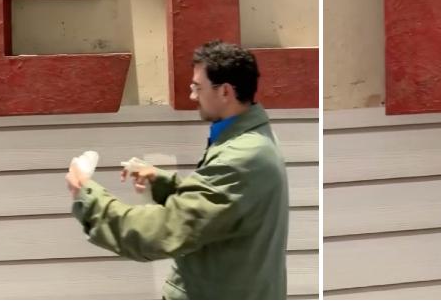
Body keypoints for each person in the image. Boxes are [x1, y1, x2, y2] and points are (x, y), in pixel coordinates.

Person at [65, 41, 290, 299]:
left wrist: (87, 195)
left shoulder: (241, 157)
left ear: (225, 91)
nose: (193, 96)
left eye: (197, 87)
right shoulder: (252, 139)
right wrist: (163, 183)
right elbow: (219, 209)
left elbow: (160, 232)